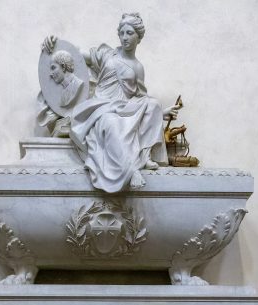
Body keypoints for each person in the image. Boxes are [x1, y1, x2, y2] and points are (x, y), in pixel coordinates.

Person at [43, 13, 180, 192]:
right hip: (101, 106)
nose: (124, 37)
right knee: (111, 122)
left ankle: (143, 156)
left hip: (125, 108)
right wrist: (56, 44)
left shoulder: (138, 67)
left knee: (153, 104)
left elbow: (139, 96)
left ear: (138, 37)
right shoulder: (107, 54)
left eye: (129, 33)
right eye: (122, 33)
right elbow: (76, 54)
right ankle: (130, 171)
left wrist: (160, 112)